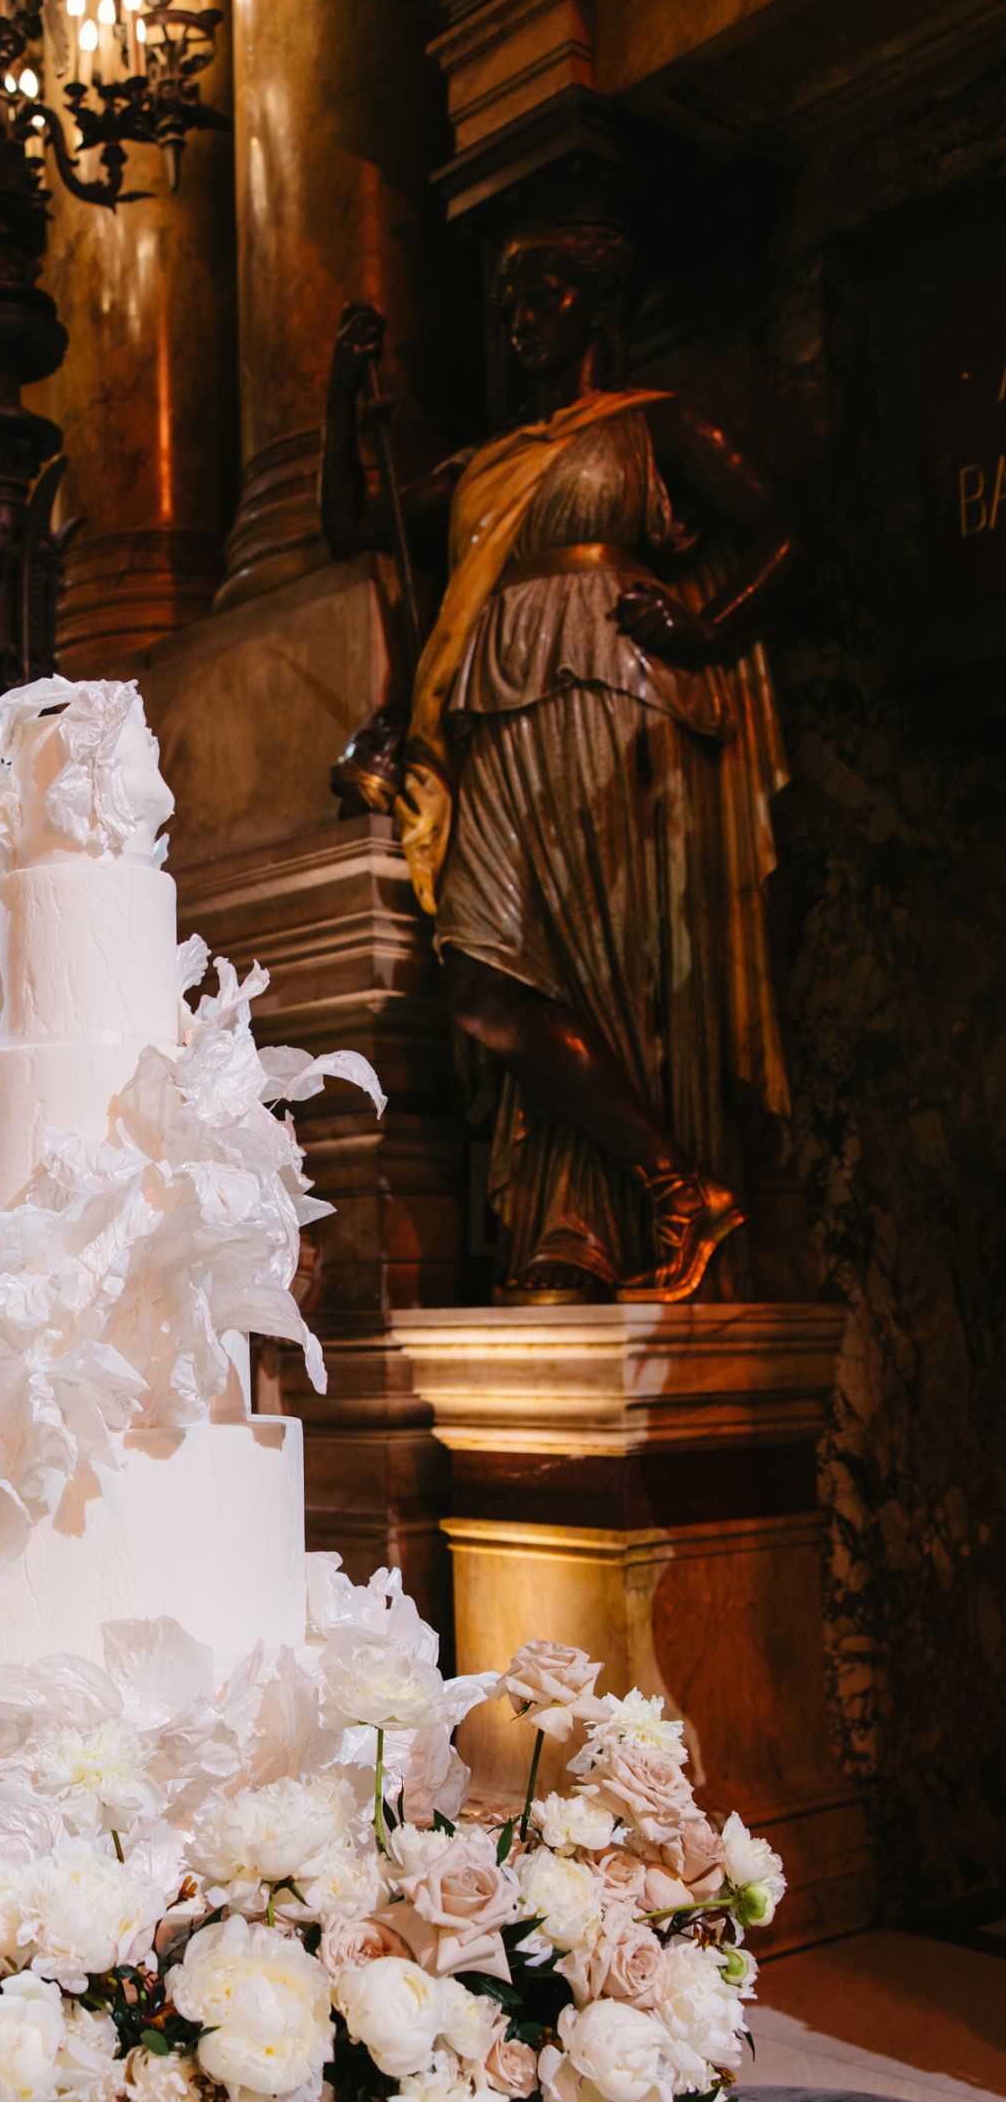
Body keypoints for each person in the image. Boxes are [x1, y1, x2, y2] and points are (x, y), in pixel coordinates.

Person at [321, 229, 796, 1299]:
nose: (522, 319)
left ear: (594, 306)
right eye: (511, 305)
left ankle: (609, 1228)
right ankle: (675, 1188)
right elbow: (355, 524)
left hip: (618, 703)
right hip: (494, 712)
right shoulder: (486, 463)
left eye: (541, 297)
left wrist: (709, 625)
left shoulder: (653, 424)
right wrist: (340, 403)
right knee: (484, 973)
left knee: (614, 963)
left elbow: (775, 525)